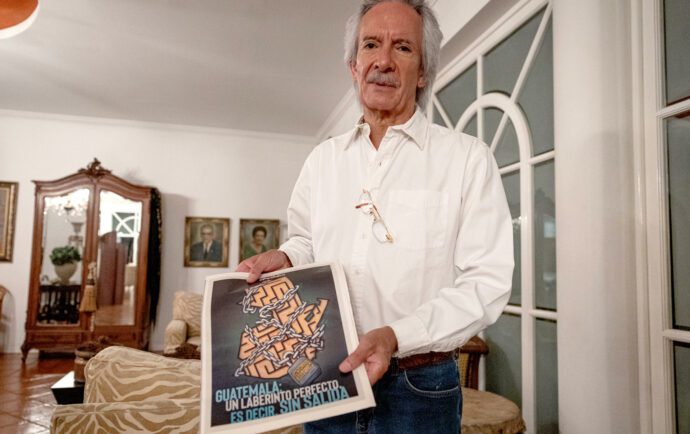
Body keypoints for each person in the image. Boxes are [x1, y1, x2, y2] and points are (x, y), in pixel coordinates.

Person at [237, 0, 513, 432]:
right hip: (326, 376)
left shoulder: (467, 160)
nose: (383, 60)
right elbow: (306, 240)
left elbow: (486, 282)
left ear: (423, 72)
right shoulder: (322, 160)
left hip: (419, 387)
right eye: (370, 45)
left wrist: (396, 336)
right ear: (354, 66)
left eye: (402, 47)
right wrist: (286, 257)